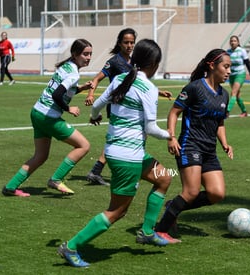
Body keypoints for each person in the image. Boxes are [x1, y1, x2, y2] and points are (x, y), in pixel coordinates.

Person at [58, 39, 172, 268]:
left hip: (122, 152)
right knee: (117, 211)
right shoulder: (148, 88)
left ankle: (147, 232)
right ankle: (71, 247)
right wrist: (170, 135)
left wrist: (94, 116)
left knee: (165, 177)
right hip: (127, 157)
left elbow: (98, 103)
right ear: (154, 63)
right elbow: (151, 128)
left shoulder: (121, 79)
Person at [155, 49, 234, 243]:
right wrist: (171, 137)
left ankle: (173, 206)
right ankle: (160, 230)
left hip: (209, 150)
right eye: (226, 66)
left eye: (230, 67)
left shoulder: (224, 95)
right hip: (190, 145)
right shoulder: (194, 88)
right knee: (191, 192)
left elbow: (220, 122)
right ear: (212, 66)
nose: (229, 71)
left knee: (217, 194)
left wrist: (225, 143)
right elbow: (174, 113)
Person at [1, 39, 95, 197]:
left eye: (90, 54)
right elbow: (57, 94)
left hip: (37, 112)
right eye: (85, 54)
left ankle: (10, 187)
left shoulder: (66, 67)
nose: (88, 57)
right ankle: (56, 179)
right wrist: (68, 108)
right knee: (83, 146)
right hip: (48, 117)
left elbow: (61, 90)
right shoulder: (73, 73)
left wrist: (81, 89)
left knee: (41, 155)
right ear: (75, 54)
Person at [84, 28, 172, 186]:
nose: (130, 45)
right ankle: (103, 169)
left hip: (128, 107)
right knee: (124, 136)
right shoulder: (114, 62)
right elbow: (97, 79)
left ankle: (97, 170)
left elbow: (135, 85)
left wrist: (158, 92)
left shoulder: (133, 62)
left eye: (132, 42)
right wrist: (91, 94)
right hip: (119, 106)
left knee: (119, 138)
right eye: (126, 42)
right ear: (119, 43)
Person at [226, 35, 250, 117]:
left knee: (233, 93)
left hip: (240, 74)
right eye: (231, 41)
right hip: (232, 75)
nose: (232, 42)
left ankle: (227, 111)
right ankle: (244, 111)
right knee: (237, 95)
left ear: (238, 42)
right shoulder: (228, 52)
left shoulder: (242, 51)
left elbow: (247, 63)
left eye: (234, 41)